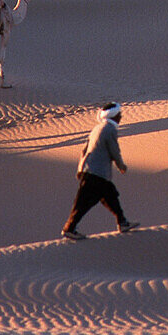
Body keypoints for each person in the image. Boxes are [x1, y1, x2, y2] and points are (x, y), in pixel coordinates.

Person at [62, 102, 139, 240]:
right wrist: (121, 165)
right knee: (83, 202)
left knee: (110, 196)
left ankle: (122, 222)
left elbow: (85, 149)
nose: (121, 116)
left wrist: (81, 167)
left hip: (93, 171)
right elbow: (114, 150)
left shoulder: (98, 128)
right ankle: (69, 229)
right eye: (119, 114)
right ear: (114, 116)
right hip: (95, 173)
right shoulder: (109, 130)